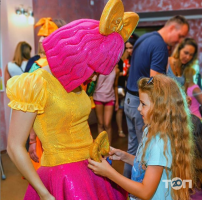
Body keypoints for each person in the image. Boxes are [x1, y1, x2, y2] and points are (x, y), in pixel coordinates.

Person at [6, 0, 139, 199]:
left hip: (91, 168)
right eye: (94, 69)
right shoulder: (35, 83)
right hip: (61, 175)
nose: (95, 77)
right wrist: (44, 193)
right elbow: (14, 147)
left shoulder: (74, 80)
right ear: (77, 56)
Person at [88, 75, 195, 200]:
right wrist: (125, 156)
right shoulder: (149, 129)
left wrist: (109, 173)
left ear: (160, 109)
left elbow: (145, 192)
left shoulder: (159, 144)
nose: (139, 108)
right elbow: (146, 165)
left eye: (143, 104)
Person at [124, 15, 189, 178]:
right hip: (143, 105)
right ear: (172, 28)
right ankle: (142, 187)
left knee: (133, 148)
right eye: (180, 36)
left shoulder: (144, 38)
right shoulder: (160, 45)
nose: (179, 41)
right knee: (145, 153)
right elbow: (157, 84)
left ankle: (125, 188)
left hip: (129, 101)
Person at [27, 18, 66, 171]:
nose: (42, 39)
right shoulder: (38, 65)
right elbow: (31, 103)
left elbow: (30, 103)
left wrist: (31, 139)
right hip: (48, 130)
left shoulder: (42, 66)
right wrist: (31, 139)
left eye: (46, 35)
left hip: (53, 130)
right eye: (41, 36)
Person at [116, 34, 139, 138]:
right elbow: (121, 73)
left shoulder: (139, 58)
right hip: (124, 87)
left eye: (131, 48)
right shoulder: (124, 59)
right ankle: (121, 130)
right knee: (122, 109)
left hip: (137, 90)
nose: (129, 50)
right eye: (127, 48)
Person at [93, 66, 119, 144]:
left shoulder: (116, 69)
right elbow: (92, 81)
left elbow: (115, 85)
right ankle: (100, 146)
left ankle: (108, 149)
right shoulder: (98, 67)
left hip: (110, 97)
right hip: (98, 97)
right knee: (100, 124)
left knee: (107, 124)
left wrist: (117, 101)